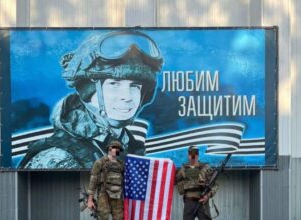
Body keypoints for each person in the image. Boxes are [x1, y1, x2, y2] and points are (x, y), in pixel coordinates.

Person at [18, 30, 163, 169]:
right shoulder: (58, 156)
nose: (127, 96)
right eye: (114, 84)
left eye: (135, 86)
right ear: (90, 91)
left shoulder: (130, 146)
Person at [176, 146, 217, 220]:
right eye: (191, 155)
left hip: (202, 202)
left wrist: (207, 196)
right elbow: (175, 180)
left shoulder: (205, 168)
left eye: (195, 155)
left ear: (198, 155)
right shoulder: (183, 169)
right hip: (189, 202)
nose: (193, 157)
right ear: (188, 155)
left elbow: (215, 185)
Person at [87, 139, 124, 220]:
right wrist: (90, 200)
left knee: (119, 218)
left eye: (119, 149)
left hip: (117, 195)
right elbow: (93, 180)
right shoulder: (100, 162)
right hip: (104, 195)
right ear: (110, 148)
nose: (117, 150)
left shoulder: (121, 164)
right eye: (116, 148)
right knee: (103, 217)